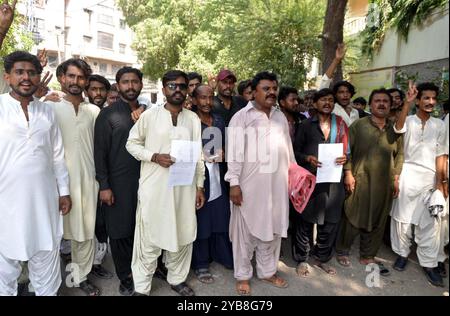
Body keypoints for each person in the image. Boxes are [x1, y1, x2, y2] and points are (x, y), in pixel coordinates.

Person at [126, 70, 205, 296]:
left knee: (182, 234)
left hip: (184, 189)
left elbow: (198, 155)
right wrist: (154, 156)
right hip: (155, 190)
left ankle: (177, 278)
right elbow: (131, 144)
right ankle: (141, 287)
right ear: (163, 90)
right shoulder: (149, 116)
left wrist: (199, 186)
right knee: (149, 238)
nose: (177, 90)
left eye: (182, 86)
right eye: (172, 86)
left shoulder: (192, 119)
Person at [0, 51, 71, 296]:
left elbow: (57, 156)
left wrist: (64, 192)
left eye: (32, 72)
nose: (26, 77)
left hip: (44, 201)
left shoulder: (47, 111)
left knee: (46, 257)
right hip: (6, 203)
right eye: (20, 72)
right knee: (3, 270)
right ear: (7, 77)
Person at [225, 71, 295, 296]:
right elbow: (233, 153)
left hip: (276, 186)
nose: (272, 92)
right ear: (253, 92)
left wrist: (294, 175)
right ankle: (243, 276)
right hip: (248, 187)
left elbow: (288, 151)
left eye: (274, 88)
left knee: (272, 232)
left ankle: (267, 271)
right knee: (244, 235)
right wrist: (234, 183)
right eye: (266, 88)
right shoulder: (241, 117)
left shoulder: (280, 116)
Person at [335, 87, 409, 274]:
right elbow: (346, 150)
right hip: (360, 178)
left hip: (384, 182)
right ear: (371, 104)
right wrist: (348, 173)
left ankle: (368, 255)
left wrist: (396, 177)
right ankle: (342, 250)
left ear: (390, 105)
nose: (382, 104)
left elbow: (400, 154)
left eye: (385, 101)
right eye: (377, 101)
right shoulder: (359, 125)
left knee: (378, 218)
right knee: (352, 213)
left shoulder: (395, 128)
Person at [47, 58, 105, 295]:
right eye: (71, 76)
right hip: (54, 183)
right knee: (50, 234)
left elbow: (102, 147)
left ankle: (79, 278)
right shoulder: (48, 106)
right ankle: (45, 283)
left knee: (84, 233)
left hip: (88, 182)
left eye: (80, 77)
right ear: (62, 78)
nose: (75, 81)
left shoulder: (94, 111)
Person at [390, 82, 447, 287]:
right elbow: (397, 128)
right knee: (402, 219)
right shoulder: (409, 120)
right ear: (419, 100)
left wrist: (441, 185)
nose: (430, 102)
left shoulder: (440, 125)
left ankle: (429, 264)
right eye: (426, 98)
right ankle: (402, 254)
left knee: (430, 222)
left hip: (429, 178)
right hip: (407, 174)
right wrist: (407, 102)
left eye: (433, 98)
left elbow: (441, 155)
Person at [94, 67, 143, 296]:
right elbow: (100, 152)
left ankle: (145, 270)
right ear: (118, 84)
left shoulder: (149, 114)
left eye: (135, 82)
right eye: (126, 82)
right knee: (121, 231)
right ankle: (126, 277)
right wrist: (104, 185)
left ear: (141, 85)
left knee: (142, 229)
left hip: (147, 182)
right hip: (118, 184)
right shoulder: (109, 114)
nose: (130, 86)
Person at [292, 88, 348, 277]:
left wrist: (344, 160)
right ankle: (302, 259)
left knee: (330, 223)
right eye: (323, 100)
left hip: (333, 181)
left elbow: (347, 153)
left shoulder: (340, 125)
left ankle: (321, 258)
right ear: (314, 103)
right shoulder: (306, 125)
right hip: (310, 181)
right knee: (305, 221)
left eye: (331, 100)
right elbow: (295, 153)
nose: (327, 103)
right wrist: (307, 158)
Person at [191, 84, 233, 284]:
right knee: (202, 219)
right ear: (194, 99)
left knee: (220, 216)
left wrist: (223, 153)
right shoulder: (189, 121)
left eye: (210, 97)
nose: (207, 102)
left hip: (218, 175)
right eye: (202, 98)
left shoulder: (218, 120)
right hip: (198, 178)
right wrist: (203, 156)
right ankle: (200, 263)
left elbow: (226, 146)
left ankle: (222, 254)